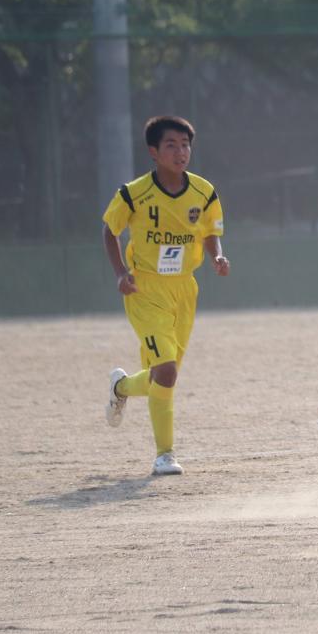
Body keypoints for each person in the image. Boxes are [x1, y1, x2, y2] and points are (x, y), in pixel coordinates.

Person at [101, 116, 229, 476]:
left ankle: (121, 386)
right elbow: (110, 231)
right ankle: (164, 455)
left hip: (185, 288)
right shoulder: (133, 193)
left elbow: (209, 231)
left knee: (163, 375)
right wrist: (120, 273)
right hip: (144, 287)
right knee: (167, 371)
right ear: (154, 152)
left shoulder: (204, 192)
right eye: (171, 145)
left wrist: (217, 256)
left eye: (185, 145)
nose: (180, 152)